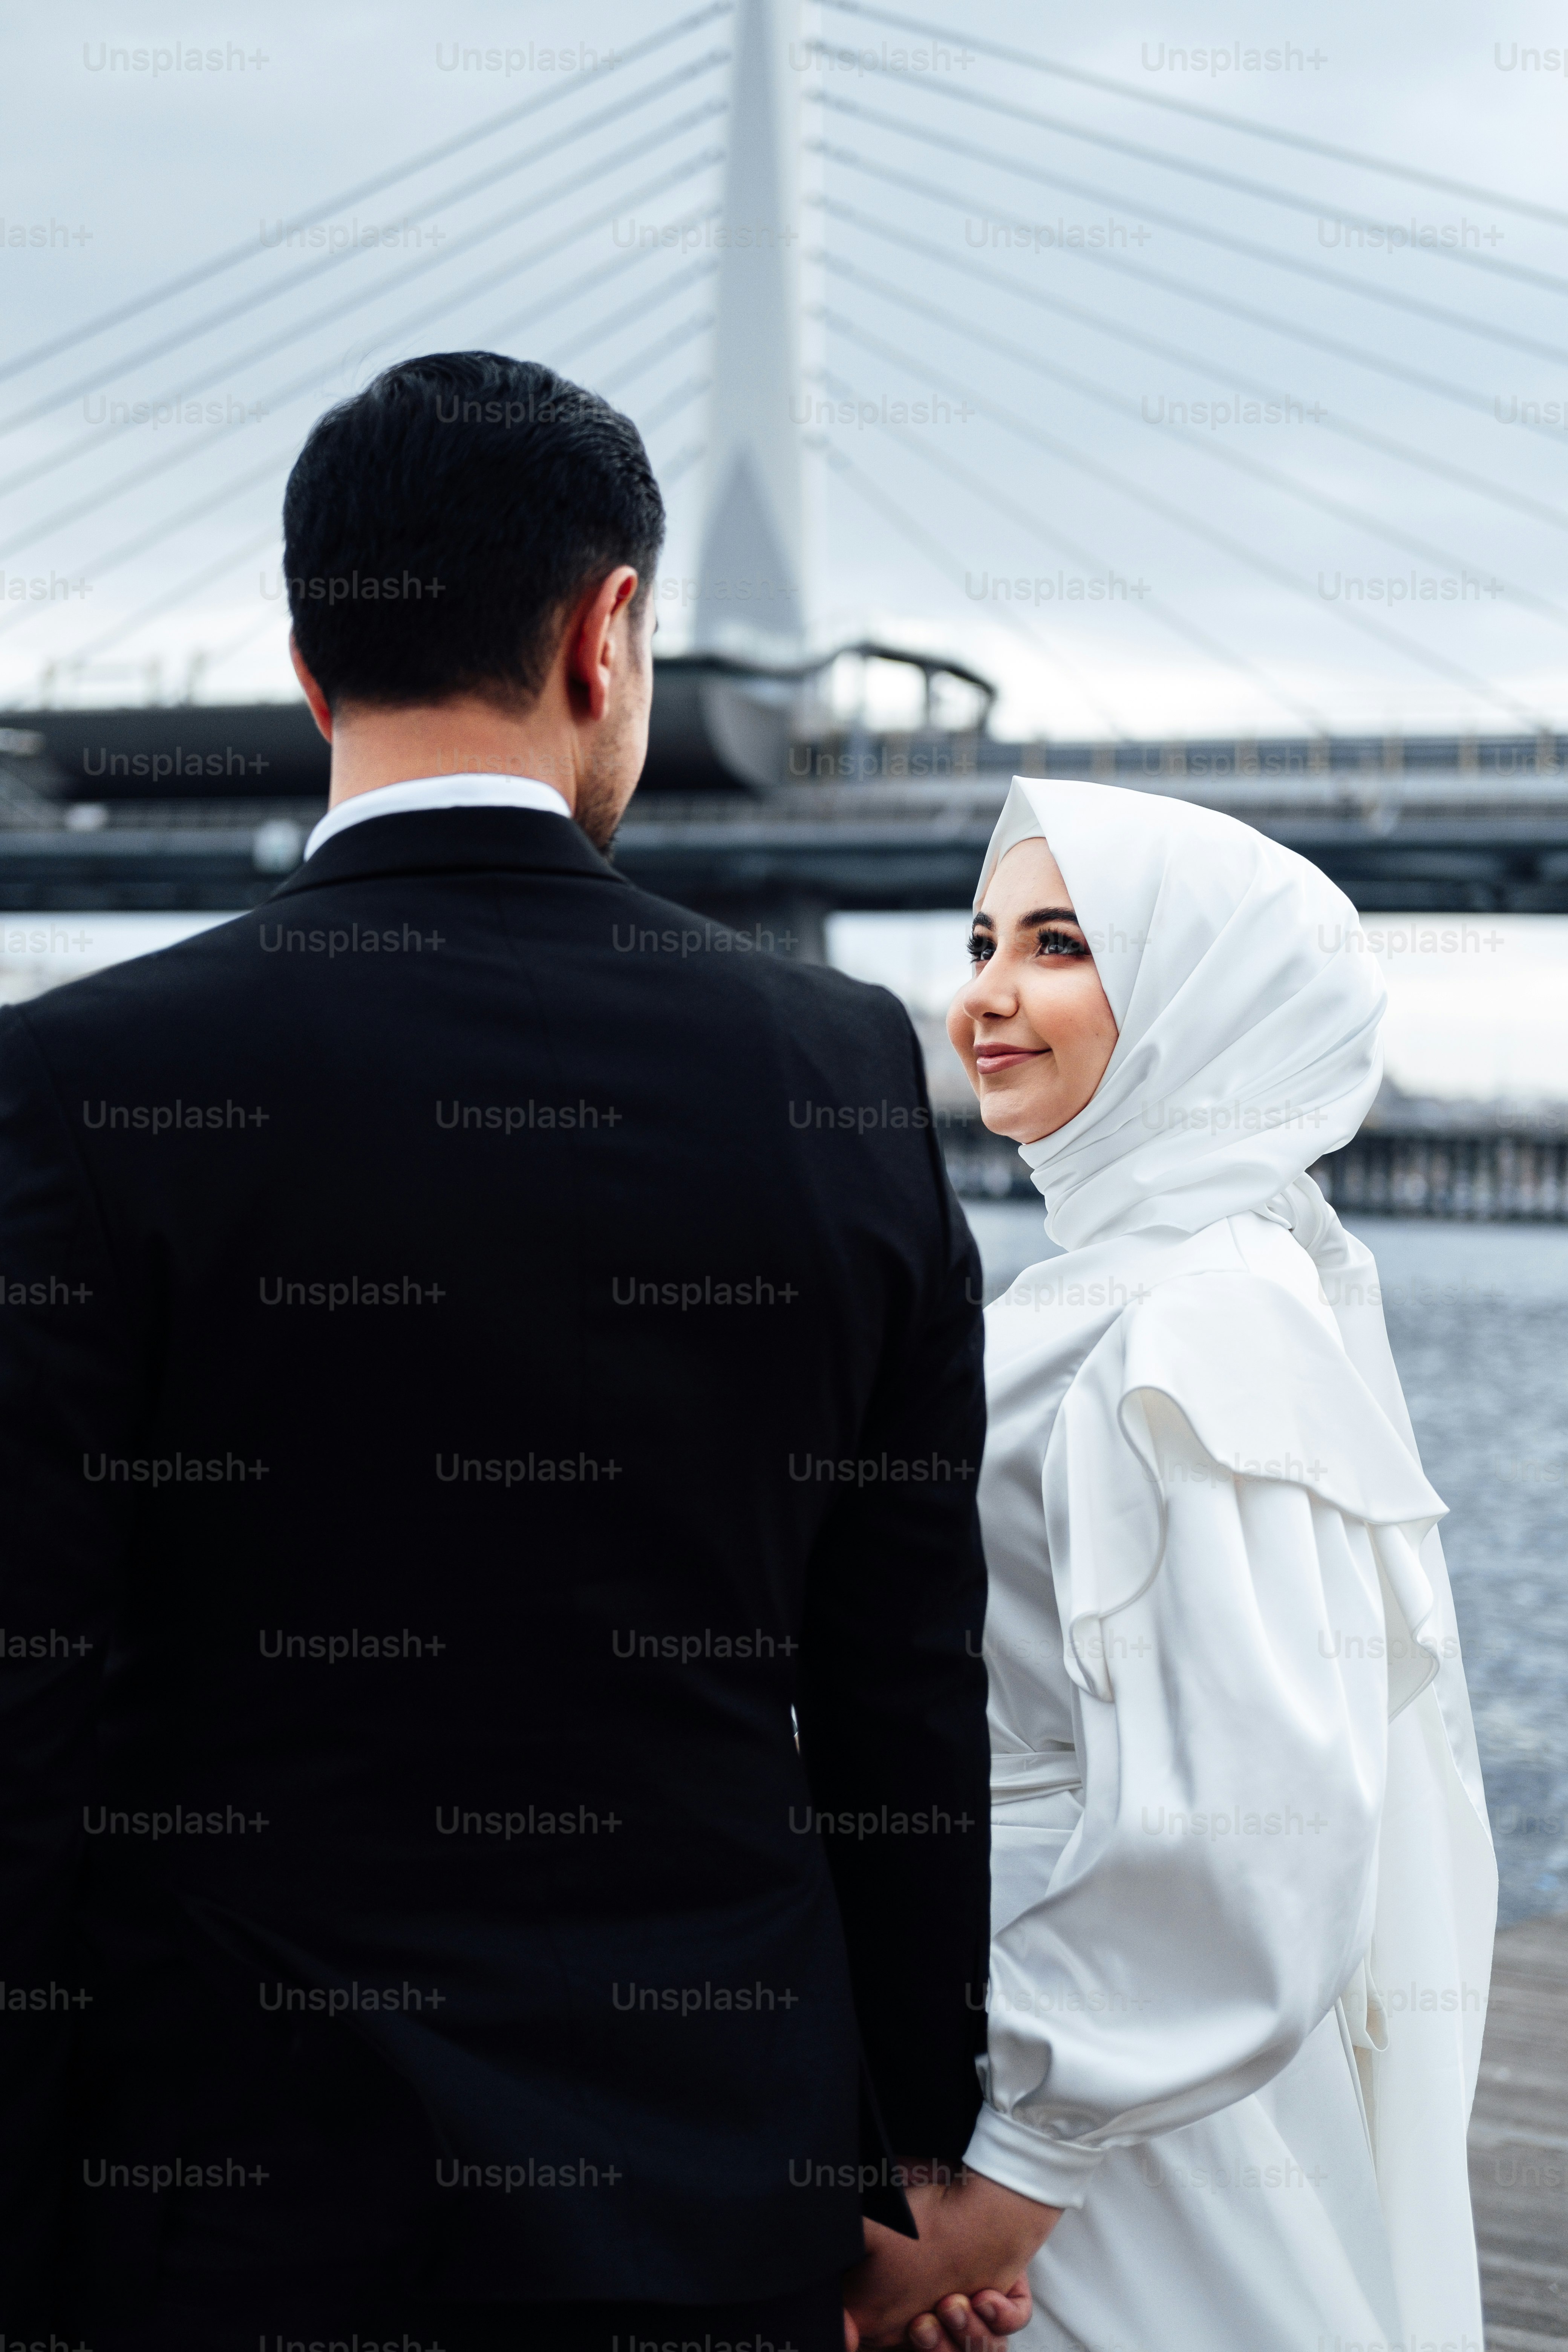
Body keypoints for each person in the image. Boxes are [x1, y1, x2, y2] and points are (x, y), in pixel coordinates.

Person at [0, 353, 1044, 2346]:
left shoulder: (83, 1086)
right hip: (717, 2183)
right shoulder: (835, 1071)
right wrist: (905, 2154)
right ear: (612, 630)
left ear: (309, 671)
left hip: (234, 2202)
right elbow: (906, 1689)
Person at [921, 777, 1497, 2351]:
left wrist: (1015, 2171)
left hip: (1101, 2062)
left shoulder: (1199, 1312)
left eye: (1055, 945)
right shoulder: (1125, 1276)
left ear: (1204, 997)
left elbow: (1268, 1810)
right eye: (980, 941)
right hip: (1044, 2008)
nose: (983, 992)